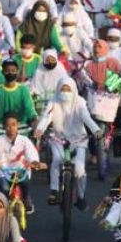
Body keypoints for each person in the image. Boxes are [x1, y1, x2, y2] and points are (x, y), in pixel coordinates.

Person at [34, 78, 101, 209]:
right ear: (58, 89)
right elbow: (46, 117)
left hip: (78, 140)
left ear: (74, 90)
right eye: (62, 89)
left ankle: (81, 197)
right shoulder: (53, 102)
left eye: (68, 89)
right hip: (58, 140)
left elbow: (87, 118)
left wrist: (96, 129)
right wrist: (40, 129)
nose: (65, 92)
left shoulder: (80, 102)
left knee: (79, 169)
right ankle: (54, 190)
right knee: (57, 160)